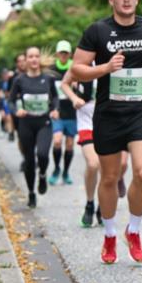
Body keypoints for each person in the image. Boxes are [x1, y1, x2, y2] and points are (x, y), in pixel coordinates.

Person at [71, 0, 142, 265]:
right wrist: (105, 67)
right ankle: (110, 234)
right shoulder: (97, 30)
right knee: (110, 177)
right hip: (108, 114)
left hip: (140, 111)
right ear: (111, 0)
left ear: (136, 0)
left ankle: (134, 230)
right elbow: (77, 69)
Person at [60, 64, 130, 228]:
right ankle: (90, 204)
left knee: (121, 165)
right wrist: (74, 98)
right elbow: (64, 83)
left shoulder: (116, 61)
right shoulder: (83, 63)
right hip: (87, 122)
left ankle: (103, 204)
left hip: (112, 122)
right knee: (93, 164)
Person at [8, 47, 59, 208]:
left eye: (37, 56)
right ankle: (31, 192)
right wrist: (17, 110)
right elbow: (10, 101)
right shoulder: (19, 80)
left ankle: (42, 174)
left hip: (44, 122)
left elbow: (55, 97)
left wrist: (55, 109)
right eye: (31, 56)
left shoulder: (48, 79)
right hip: (26, 124)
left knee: (42, 154)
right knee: (29, 160)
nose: (34, 59)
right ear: (26, 60)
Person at [49, 40, 78, 185]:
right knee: (57, 141)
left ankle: (66, 171)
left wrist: (78, 85)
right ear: (57, 53)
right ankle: (56, 169)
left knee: (70, 144)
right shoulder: (51, 70)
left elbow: (85, 89)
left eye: (66, 53)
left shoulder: (75, 68)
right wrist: (51, 109)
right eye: (61, 53)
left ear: (70, 54)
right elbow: (47, 92)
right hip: (57, 111)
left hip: (72, 111)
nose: (63, 55)